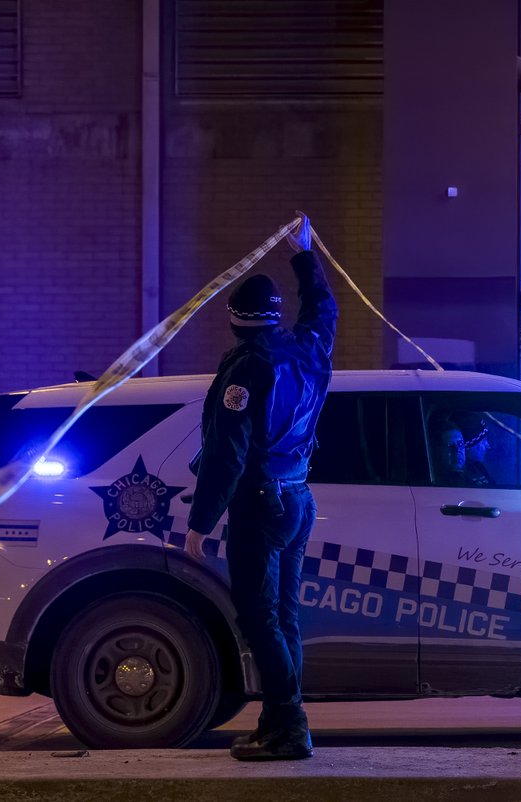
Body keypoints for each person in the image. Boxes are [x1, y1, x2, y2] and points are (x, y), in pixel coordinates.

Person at [184, 212, 336, 761]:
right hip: (298, 498)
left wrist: (200, 523)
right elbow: (325, 308)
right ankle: (280, 722)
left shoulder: (246, 371)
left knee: (259, 618)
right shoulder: (310, 349)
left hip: (260, 502)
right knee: (284, 616)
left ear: (233, 319)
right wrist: (304, 255)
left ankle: (290, 729)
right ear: (273, 316)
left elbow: (228, 454)